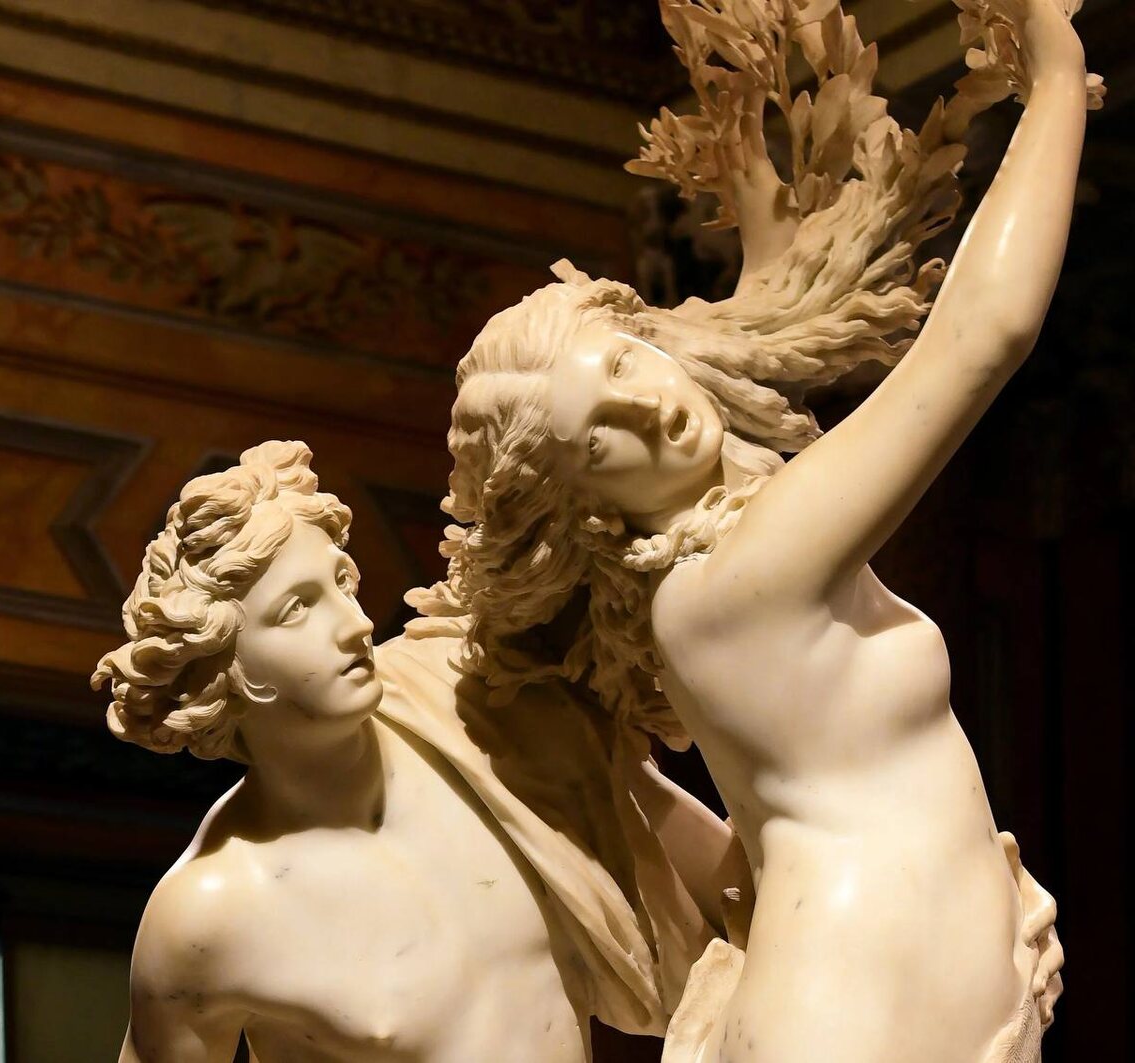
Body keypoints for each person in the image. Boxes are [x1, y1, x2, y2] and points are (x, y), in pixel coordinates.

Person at [409, 1, 1081, 1059]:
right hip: (859, 1004)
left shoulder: (702, 574)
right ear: (586, 505)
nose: (647, 408)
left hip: (871, 977)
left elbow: (748, 836)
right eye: (599, 438)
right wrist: (1056, 79)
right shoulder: (749, 569)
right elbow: (982, 332)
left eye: (623, 364)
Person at [93, 440, 746, 1062]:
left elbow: (725, 888)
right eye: (298, 609)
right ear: (224, 666)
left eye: (343, 584)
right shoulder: (209, 917)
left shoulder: (471, 704)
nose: (356, 625)